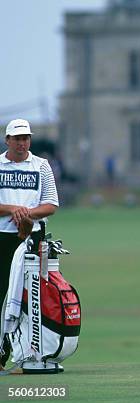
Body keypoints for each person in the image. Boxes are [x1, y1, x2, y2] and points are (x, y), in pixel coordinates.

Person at [0, 119, 59, 369]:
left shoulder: (41, 165)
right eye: (17, 138)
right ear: (8, 141)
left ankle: (30, 353)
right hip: (2, 235)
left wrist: (27, 215)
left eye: (26, 138)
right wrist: (16, 209)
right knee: (2, 295)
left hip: (33, 237)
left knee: (31, 298)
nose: (22, 143)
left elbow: (51, 204)